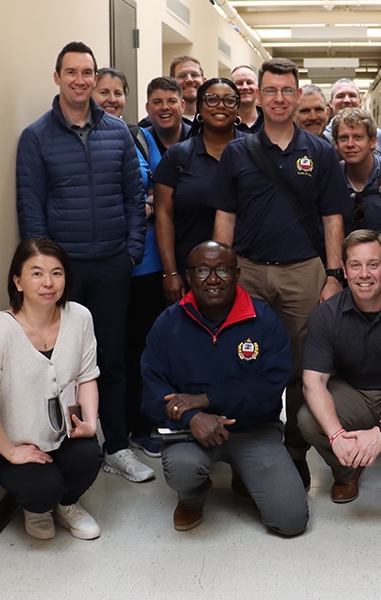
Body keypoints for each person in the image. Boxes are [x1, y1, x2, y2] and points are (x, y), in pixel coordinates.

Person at [209, 58, 351, 488]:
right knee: (245, 361)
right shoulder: (237, 151)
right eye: (270, 91)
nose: (278, 99)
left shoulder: (320, 152)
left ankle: (294, 450)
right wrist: (221, 274)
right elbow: (225, 218)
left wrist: (333, 275)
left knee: (301, 368)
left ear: (298, 95)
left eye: (287, 91)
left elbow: (332, 220)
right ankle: (250, 451)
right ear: (258, 95)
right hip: (248, 273)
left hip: (303, 273)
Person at [16, 41, 152, 483]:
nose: (80, 80)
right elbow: (31, 207)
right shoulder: (36, 137)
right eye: (71, 72)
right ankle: (65, 449)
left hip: (113, 262)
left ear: (95, 79)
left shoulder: (117, 132)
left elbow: (135, 197)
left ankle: (115, 446)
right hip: (64, 270)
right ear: (57, 78)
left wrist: (132, 249)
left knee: (110, 359)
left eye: (87, 72)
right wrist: (42, 271)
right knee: (58, 363)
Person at [141, 241, 308, 535]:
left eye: (223, 270)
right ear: (190, 276)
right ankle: (192, 495)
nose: (214, 279)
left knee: (291, 521)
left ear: (238, 273)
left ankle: (245, 473)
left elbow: (270, 386)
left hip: (253, 427)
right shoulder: (168, 324)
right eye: (203, 271)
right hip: (190, 434)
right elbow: (153, 389)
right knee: (182, 468)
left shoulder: (264, 319)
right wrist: (192, 418)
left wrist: (207, 400)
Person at [0, 239, 102, 541]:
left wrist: (90, 423)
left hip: (66, 434)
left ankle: (68, 505)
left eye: (57, 273)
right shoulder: (1, 330)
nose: (48, 283)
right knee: (43, 490)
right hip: (19, 444)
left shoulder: (79, 317)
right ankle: (38, 509)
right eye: (37, 273)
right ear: (18, 281)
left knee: (90, 456)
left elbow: (87, 376)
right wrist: (11, 451)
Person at [300, 230, 381, 508]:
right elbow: (313, 383)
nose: (364, 274)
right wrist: (336, 436)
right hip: (352, 392)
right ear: (344, 270)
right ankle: (347, 470)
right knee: (307, 419)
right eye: (355, 265)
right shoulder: (327, 314)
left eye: (373, 264)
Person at [93, 68, 165, 459]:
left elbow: (158, 187)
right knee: (109, 353)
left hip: (145, 263)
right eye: (103, 92)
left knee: (142, 349)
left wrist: (147, 205)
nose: (111, 99)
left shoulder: (140, 136)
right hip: (103, 263)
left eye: (117, 93)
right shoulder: (87, 138)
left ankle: (141, 426)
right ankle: (112, 434)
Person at [155, 78, 244, 304]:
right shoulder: (177, 156)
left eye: (229, 100)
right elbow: (163, 214)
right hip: (191, 272)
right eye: (212, 100)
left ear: (238, 107)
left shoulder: (255, 152)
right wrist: (170, 272)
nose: (221, 105)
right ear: (200, 108)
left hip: (248, 270)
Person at [333, 107, 381, 233]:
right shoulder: (332, 179)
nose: (350, 144)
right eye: (344, 138)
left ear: (372, 142)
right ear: (336, 144)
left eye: (358, 137)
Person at [324, 78, 381, 153]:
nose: (347, 100)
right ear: (331, 103)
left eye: (352, 95)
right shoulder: (323, 138)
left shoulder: (378, 135)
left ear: (360, 101)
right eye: (340, 96)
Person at [143, 76, 191, 155]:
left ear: (182, 106)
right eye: (157, 102)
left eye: (171, 101)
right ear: (148, 108)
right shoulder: (139, 143)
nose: (165, 107)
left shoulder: (199, 139)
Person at [170, 55, 205, 121]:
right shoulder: (160, 124)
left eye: (194, 75)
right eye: (182, 76)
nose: (189, 80)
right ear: (172, 82)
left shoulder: (215, 122)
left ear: (204, 81)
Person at [231, 65, 263, 134]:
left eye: (249, 82)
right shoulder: (225, 123)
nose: (245, 87)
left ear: (257, 88)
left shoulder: (271, 121)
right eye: (239, 83)